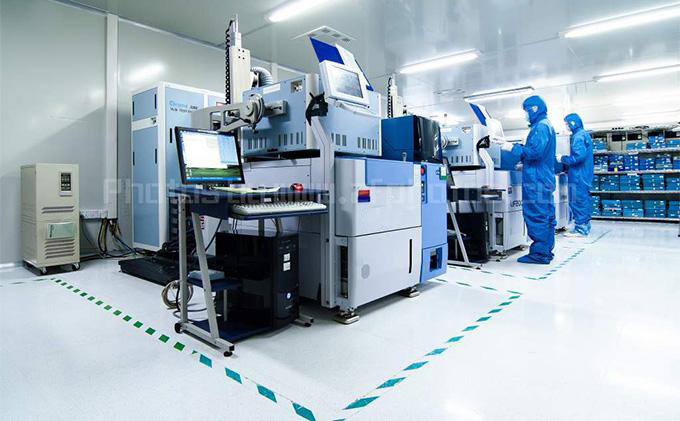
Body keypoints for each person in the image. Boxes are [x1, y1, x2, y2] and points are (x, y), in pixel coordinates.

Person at [507, 96, 557, 264]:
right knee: (547, 216)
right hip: (544, 177)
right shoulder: (546, 125)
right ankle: (546, 251)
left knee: (537, 215)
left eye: (526, 111)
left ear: (534, 109)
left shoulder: (541, 127)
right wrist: (524, 162)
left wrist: (512, 148)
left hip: (536, 180)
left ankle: (539, 255)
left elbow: (535, 152)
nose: (526, 115)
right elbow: (539, 153)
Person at [560, 113, 594, 237]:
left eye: (567, 124)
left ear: (573, 123)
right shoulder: (584, 134)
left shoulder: (578, 136)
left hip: (578, 175)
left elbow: (578, 157)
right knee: (583, 200)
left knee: (577, 200)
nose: (567, 126)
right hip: (584, 174)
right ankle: (585, 226)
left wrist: (562, 158)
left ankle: (581, 229)